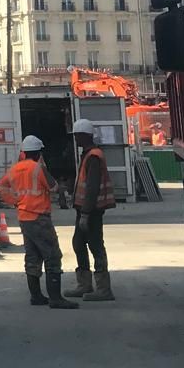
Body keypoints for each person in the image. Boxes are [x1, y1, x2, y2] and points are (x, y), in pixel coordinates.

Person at [0, 134, 78, 309]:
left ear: (24, 152)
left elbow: (0, 187)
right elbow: (54, 187)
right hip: (39, 218)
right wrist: (43, 167)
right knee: (52, 256)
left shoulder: (15, 169)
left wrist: (15, 200)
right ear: (38, 153)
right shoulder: (37, 168)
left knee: (33, 256)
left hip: (24, 218)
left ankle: (36, 296)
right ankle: (55, 298)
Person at [64, 118, 116, 301]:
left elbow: (92, 187)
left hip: (91, 210)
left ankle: (103, 288)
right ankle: (84, 284)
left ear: (84, 136)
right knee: (78, 243)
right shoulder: (88, 154)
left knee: (95, 244)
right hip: (85, 209)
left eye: (77, 136)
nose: (75, 139)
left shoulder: (93, 156)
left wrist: (85, 214)